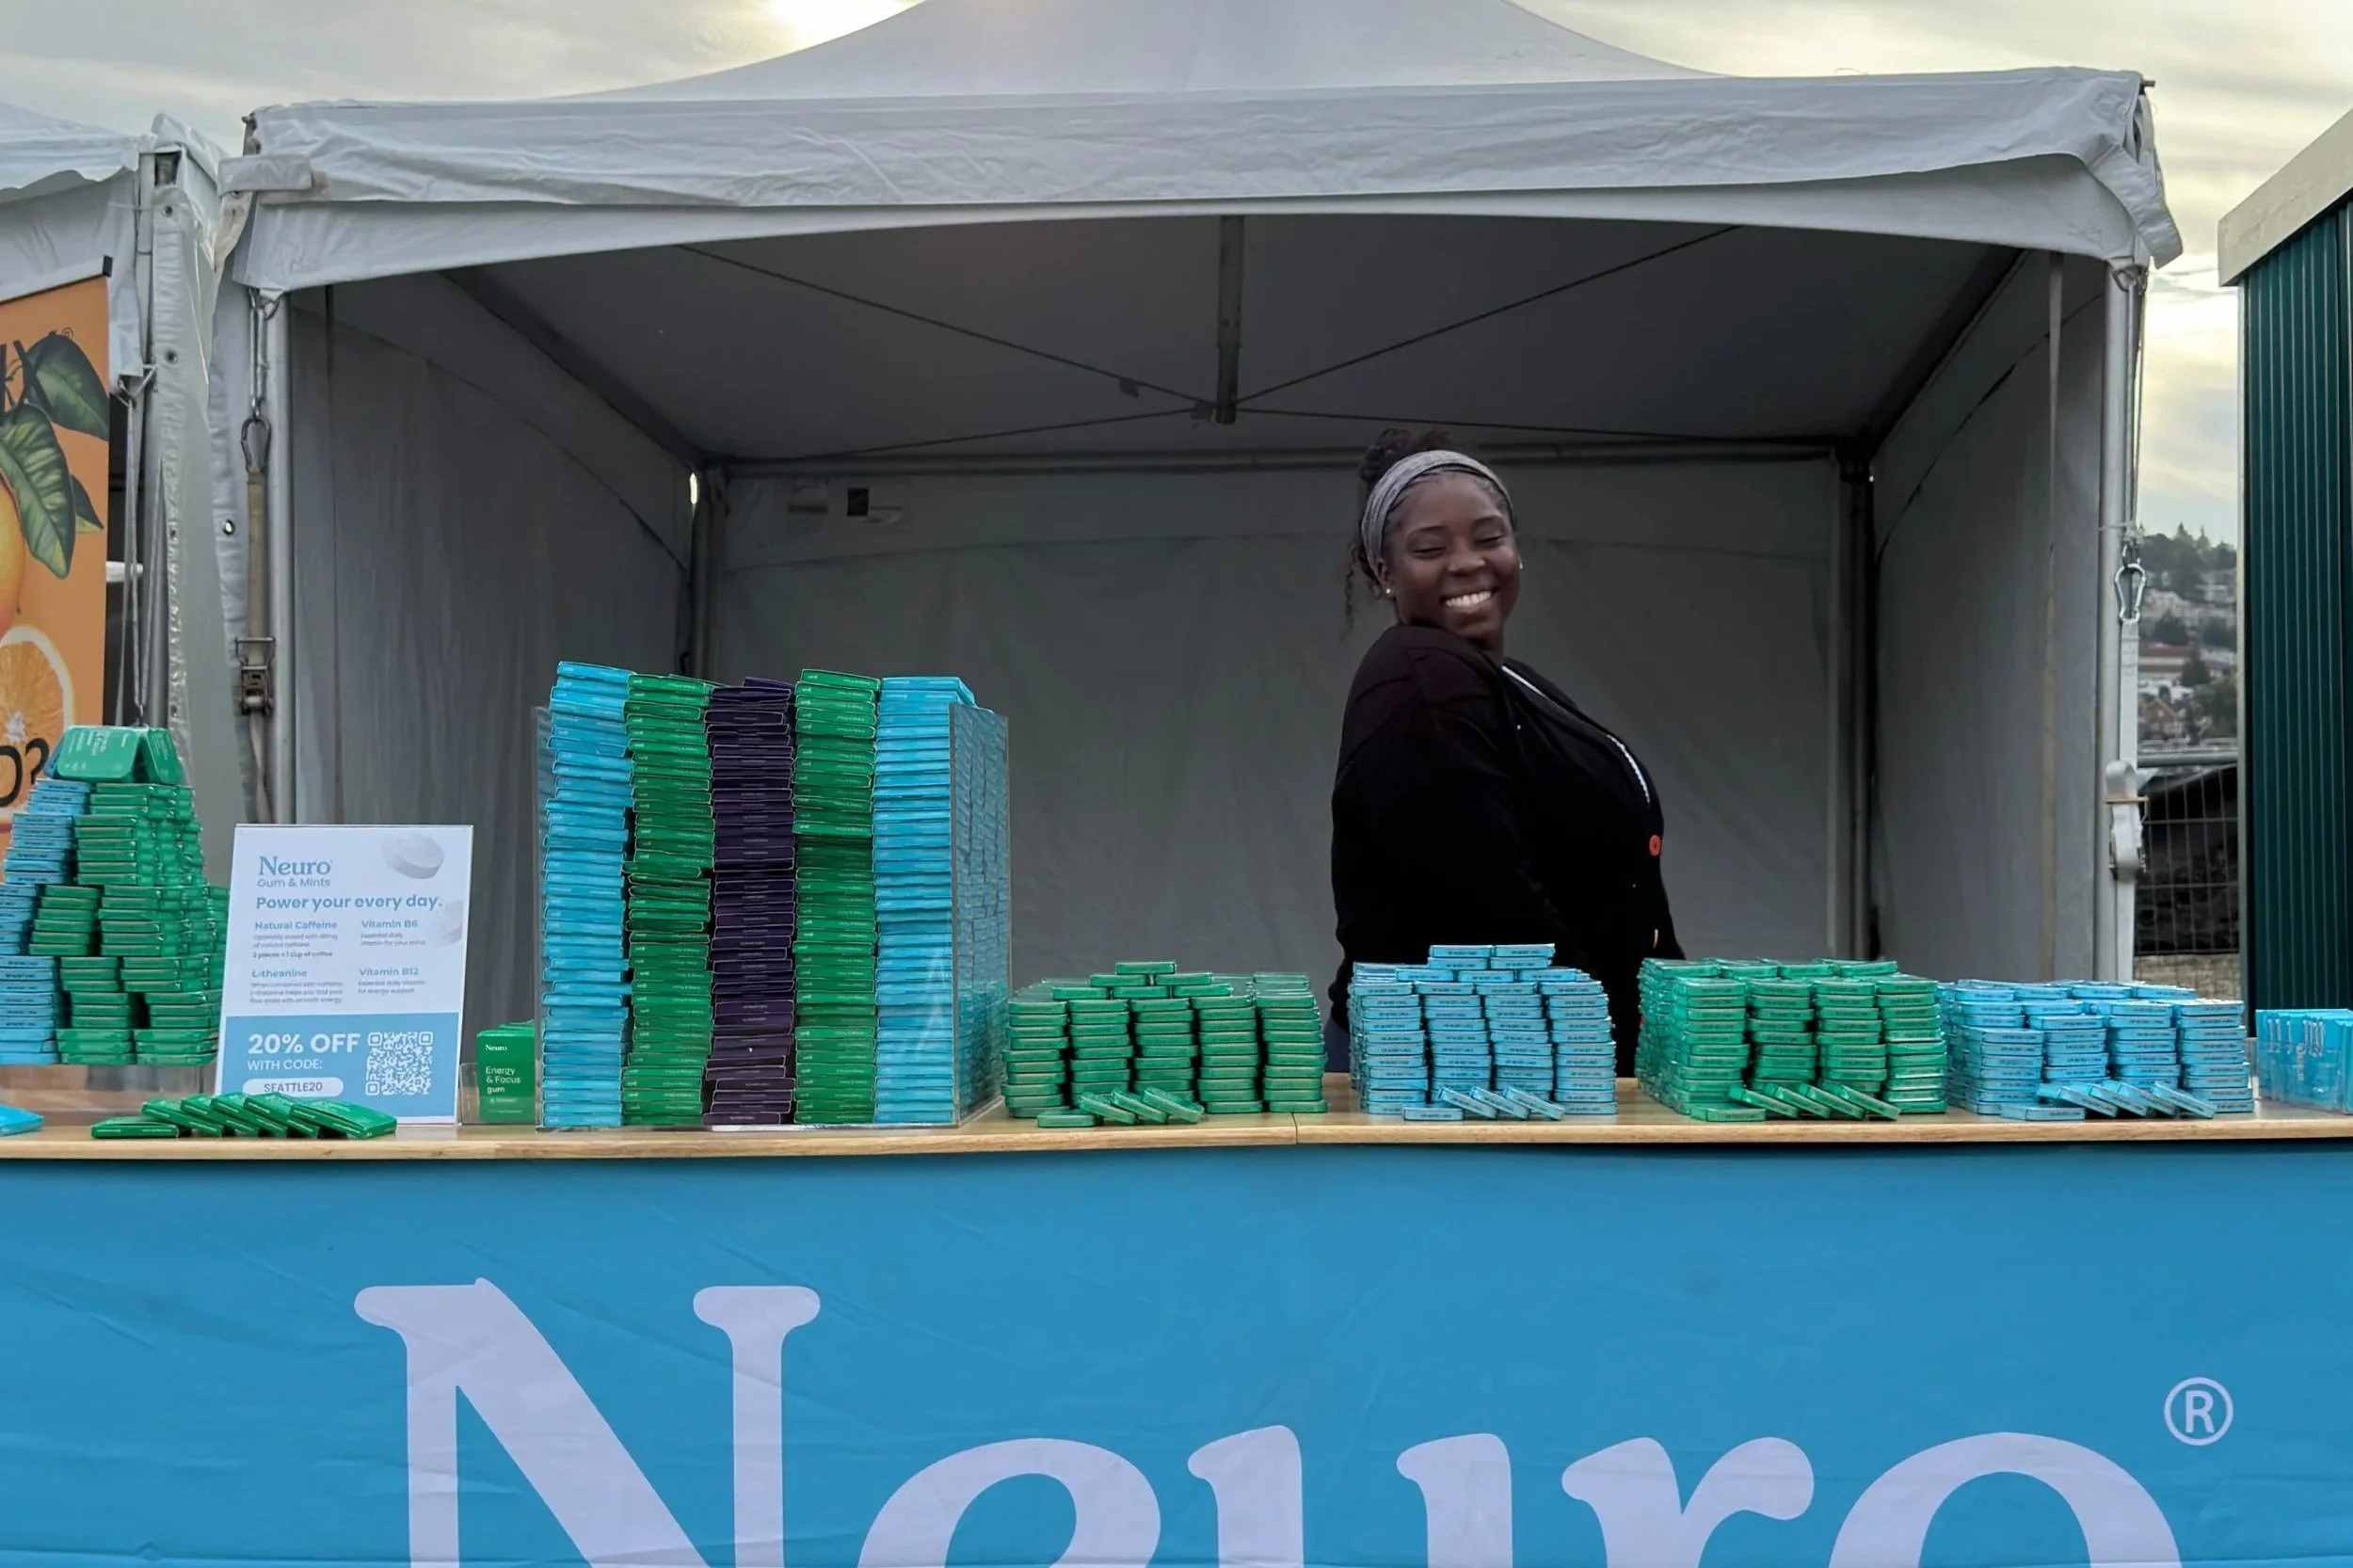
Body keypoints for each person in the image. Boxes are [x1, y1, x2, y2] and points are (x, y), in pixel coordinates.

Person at [1328, 428, 1681, 1075]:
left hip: (1526, 1062)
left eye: (1489, 537)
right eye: (1429, 548)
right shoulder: (1422, 676)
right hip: (1465, 1076)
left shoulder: (1511, 682)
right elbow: (1485, 894)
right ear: (1385, 572)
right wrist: (1602, 1034)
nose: (1467, 562)